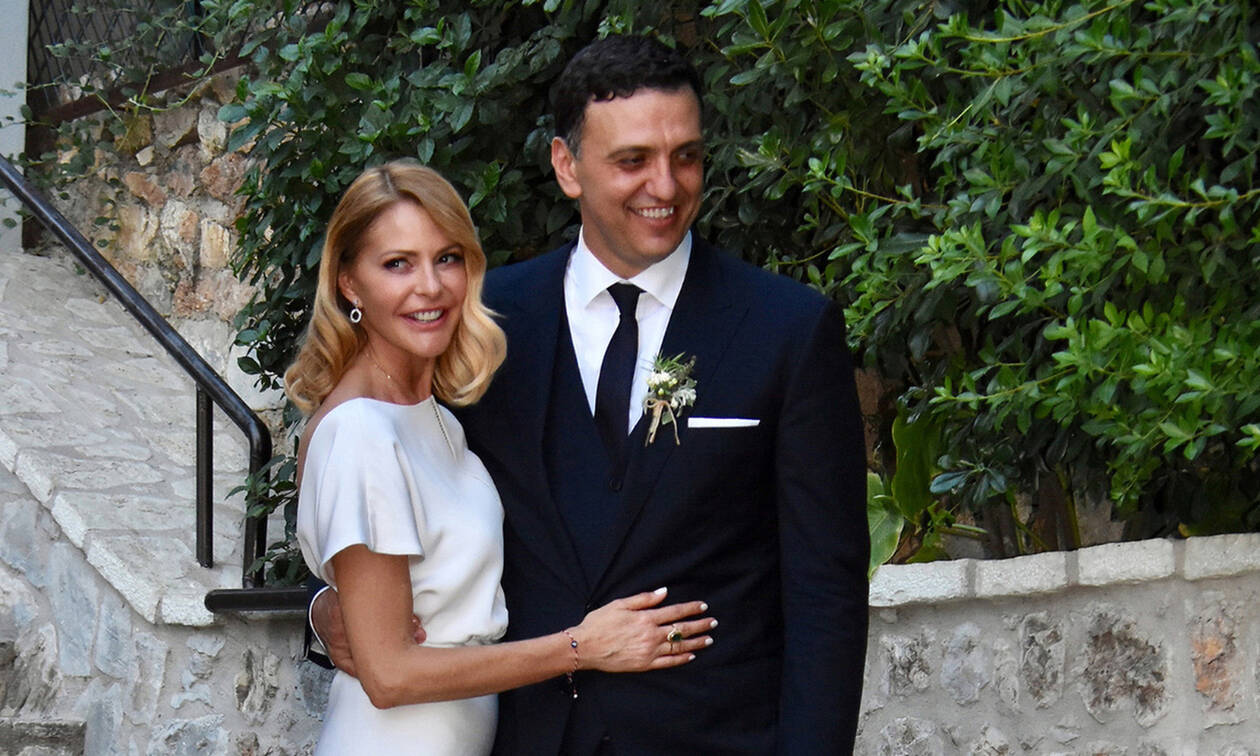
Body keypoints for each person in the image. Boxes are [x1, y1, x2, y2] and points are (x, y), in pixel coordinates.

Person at [313, 36, 869, 753]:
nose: (665, 186)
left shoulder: (786, 329)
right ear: (566, 166)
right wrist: (325, 607)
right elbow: (377, 484)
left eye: (686, 156)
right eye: (633, 160)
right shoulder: (480, 322)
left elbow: (826, 592)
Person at [289, 160, 715, 755]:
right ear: (349, 284)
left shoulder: (436, 415)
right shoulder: (361, 429)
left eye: (447, 258)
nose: (430, 286)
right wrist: (581, 647)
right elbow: (389, 676)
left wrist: (326, 606)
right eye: (397, 264)